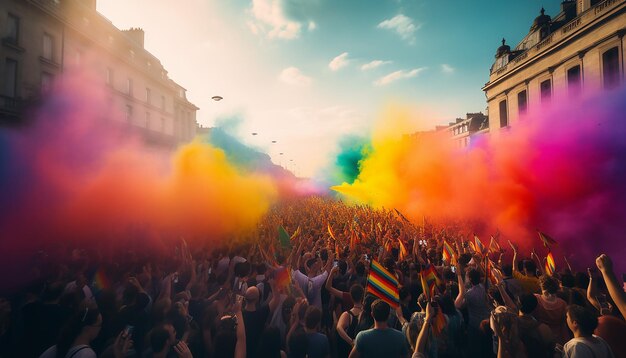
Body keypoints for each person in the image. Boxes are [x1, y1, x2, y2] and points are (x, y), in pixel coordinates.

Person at [533, 275, 570, 345]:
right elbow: (564, 323)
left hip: (542, 337)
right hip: (560, 338)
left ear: (542, 286)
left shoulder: (537, 299)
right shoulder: (562, 303)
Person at [336, 285, 364, 358]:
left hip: (349, 351)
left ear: (351, 296)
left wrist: (351, 342)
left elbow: (339, 328)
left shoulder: (347, 314)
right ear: (362, 296)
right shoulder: (367, 314)